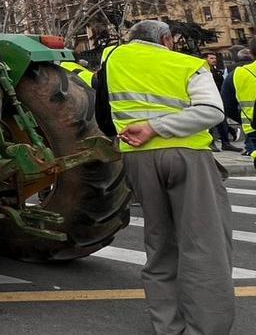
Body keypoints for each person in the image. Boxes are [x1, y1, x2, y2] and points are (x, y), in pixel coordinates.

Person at [99, 20, 233, 334]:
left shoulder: (112, 60)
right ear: (167, 39)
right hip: (187, 155)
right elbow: (212, 112)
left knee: (159, 245)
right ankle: (206, 328)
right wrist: (156, 127)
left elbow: (102, 115)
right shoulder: (187, 65)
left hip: (137, 159)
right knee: (205, 245)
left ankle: (169, 327)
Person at [226, 46, 256, 156]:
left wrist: (244, 119)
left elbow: (228, 106)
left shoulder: (236, 73)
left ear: (252, 53)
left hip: (252, 126)